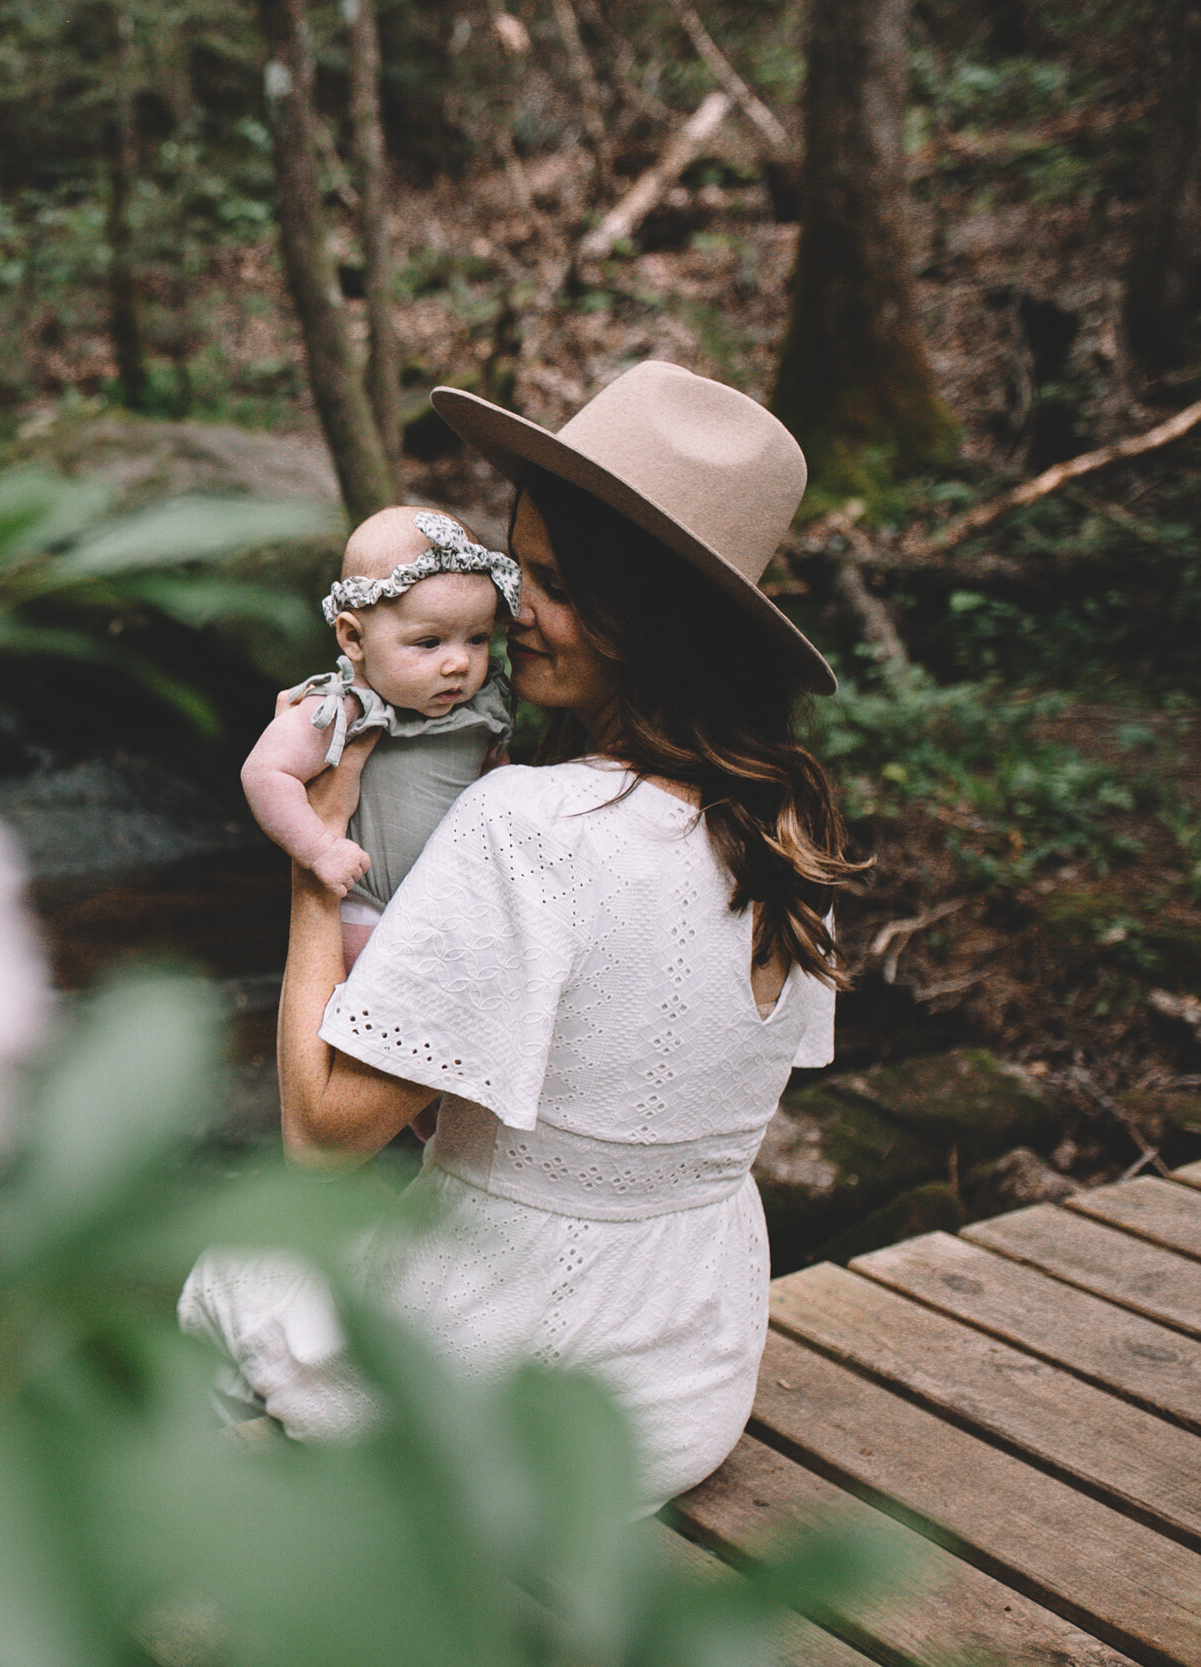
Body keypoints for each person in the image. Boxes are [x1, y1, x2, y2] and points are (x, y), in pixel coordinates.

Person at [180, 360, 858, 1505]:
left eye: (547, 578)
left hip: (497, 1407)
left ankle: (222, 1543)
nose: (509, 609)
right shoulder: (789, 821)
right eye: (512, 567)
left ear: (646, 608)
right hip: (680, 1395)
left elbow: (325, 1129)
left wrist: (316, 863)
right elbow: (624, 1100)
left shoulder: (528, 821)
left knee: (231, 1271)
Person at [240, 506, 519, 971]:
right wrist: (319, 849)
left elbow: (498, 785)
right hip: (368, 905)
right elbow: (265, 772)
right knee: (365, 1009)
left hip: (458, 903)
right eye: (429, 643)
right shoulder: (343, 708)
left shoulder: (479, 709)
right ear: (354, 638)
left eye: (476, 639)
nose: (460, 663)